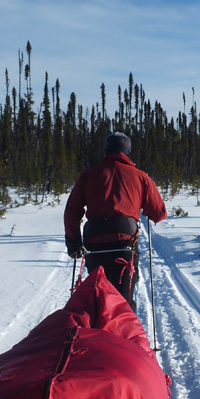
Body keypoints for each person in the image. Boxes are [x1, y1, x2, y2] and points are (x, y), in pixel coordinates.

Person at [64, 132, 167, 308]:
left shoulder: (88, 175)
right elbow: (159, 213)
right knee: (122, 302)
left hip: (94, 245)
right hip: (125, 244)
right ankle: (124, 332)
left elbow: (72, 211)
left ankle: (98, 329)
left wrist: (73, 242)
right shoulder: (140, 176)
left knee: (99, 296)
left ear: (106, 151)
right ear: (127, 152)